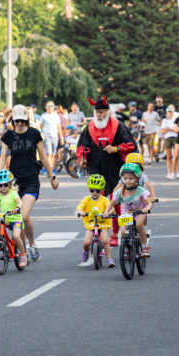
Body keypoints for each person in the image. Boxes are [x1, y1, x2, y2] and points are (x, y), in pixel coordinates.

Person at [0, 104, 59, 261]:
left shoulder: (34, 134)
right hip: (14, 182)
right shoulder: (8, 136)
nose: (19, 124)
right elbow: (3, 157)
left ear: (26, 120)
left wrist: (52, 176)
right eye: (16, 120)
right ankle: (22, 249)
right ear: (13, 120)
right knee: (19, 216)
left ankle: (32, 244)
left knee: (23, 216)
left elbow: (43, 157)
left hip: (31, 179)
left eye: (22, 121)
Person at [76, 95, 137, 247]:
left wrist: (116, 148)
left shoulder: (118, 125)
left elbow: (130, 144)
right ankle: (100, 233)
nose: (99, 115)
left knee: (115, 201)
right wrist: (82, 158)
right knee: (99, 203)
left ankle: (115, 233)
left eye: (103, 112)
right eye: (97, 112)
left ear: (108, 112)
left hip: (116, 167)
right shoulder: (89, 127)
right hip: (97, 169)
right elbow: (81, 147)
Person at [103, 163, 154, 257]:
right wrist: (106, 212)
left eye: (131, 178)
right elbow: (112, 203)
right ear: (122, 178)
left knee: (139, 225)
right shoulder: (120, 192)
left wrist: (147, 208)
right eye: (125, 178)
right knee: (122, 232)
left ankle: (144, 248)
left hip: (139, 211)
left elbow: (149, 202)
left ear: (137, 179)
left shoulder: (141, 191)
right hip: (126, 213)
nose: (128, 181)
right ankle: (125, 249)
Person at [0, 169, 27, 268]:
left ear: (10, 184)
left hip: (15, 218)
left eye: (5, 185)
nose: (3, 187)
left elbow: (20, 202)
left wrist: (17, 208)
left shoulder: (13, 193)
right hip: (6, 218)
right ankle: (0, 239)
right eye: (0, 185)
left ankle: (23, 255)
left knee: (16, 236)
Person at [75, 174, 114, 268]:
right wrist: (81, 212)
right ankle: (86, 251)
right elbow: (80, 207)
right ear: (89, 189)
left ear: (102, 190)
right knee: (86, 242)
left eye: (97, 191)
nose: (95, 193)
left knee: (105, 240)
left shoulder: (104, 200)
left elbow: (111, 207)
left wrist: (107, 212)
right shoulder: (86, 199)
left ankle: (109, 259)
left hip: (103, 224)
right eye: (92, 190)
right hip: (91, 224)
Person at [40, 101, 64, 172]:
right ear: (46, 107)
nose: (50, 107)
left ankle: (53, 169)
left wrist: (61, 137)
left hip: (55, 137)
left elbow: (59, 127)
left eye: (52, 106)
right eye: (49, 106)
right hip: (47, 137)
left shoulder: (56, 116)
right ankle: (48, 169)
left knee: (54, 154)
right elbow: (40, 127)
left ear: (54, 107)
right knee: (48, 153)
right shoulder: (43, 116)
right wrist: (41, 134)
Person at [161, 105, 179, 179]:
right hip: (167, 138)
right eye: (168, 112)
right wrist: (168, 130)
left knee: (176, 156)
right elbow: (162, 131)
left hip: (175, 137)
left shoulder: (176, 119)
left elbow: (176, 130)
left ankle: (175, 172)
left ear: (173, 112)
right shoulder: (164, 120)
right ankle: (169, 172)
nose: (169, 113)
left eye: (171, 112)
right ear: (166, 112)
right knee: (168, 156)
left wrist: (169, 129)